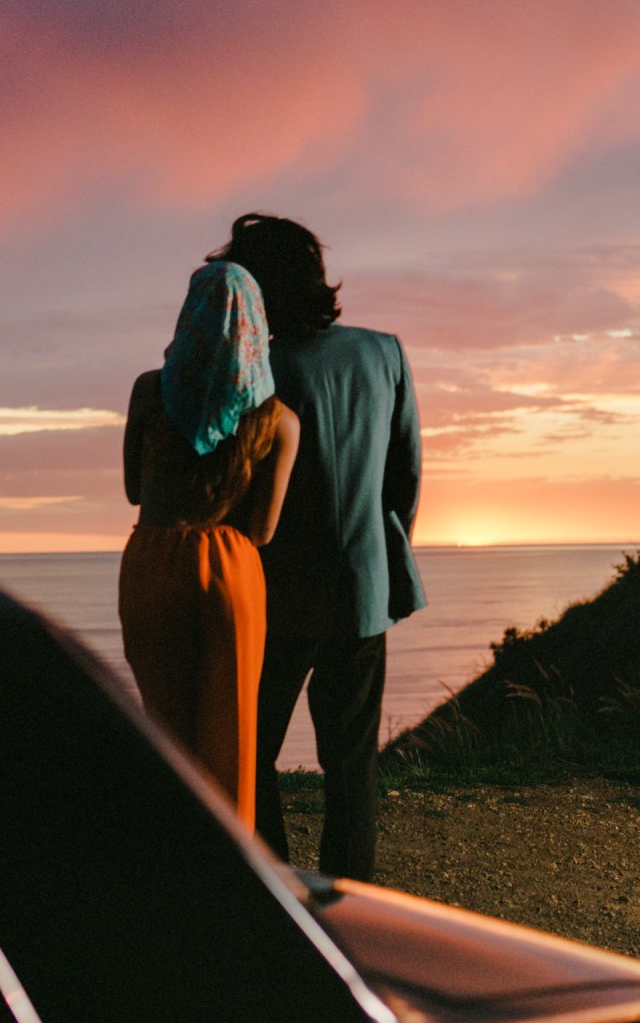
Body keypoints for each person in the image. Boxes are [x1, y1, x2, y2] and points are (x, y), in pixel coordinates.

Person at [213, 214, 424, 880]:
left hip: (277, 596)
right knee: (351, 766)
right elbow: (405, 477)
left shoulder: (260, 370)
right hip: (364, 590)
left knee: (250, 754)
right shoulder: (385, 351)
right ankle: (353, 905)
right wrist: (378, 555)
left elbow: (238, 488)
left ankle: (274, 887)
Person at [119, 260, 299, 827]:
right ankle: (230, 876)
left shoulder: (149, 392)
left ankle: (170, 857)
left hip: (152, 560)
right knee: (233, 739)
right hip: (230, 568)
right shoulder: (279, 419)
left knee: (165, 735)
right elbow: (264, 531)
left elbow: (131, 491)